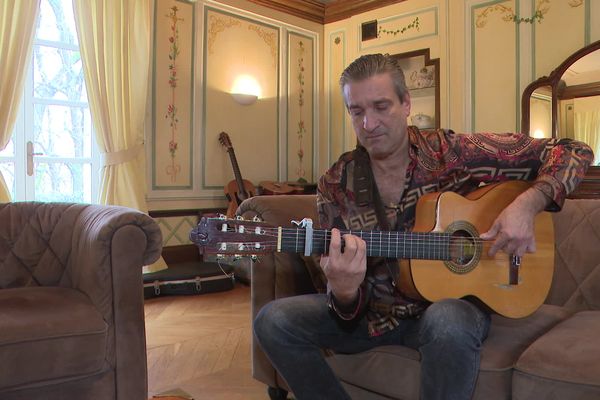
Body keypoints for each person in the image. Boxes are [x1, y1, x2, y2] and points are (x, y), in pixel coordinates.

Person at [254, 53, 594, 400]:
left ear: (406, 104)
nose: (369, 124)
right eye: (357, 111)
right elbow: (344, 308)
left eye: (381, 106)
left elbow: (573, 150)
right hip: (373, 313)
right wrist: (343, 290)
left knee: (447, 318)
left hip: (450, 307)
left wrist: (528, 204)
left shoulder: (453, 153)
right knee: (273, 320)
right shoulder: (337, 182)